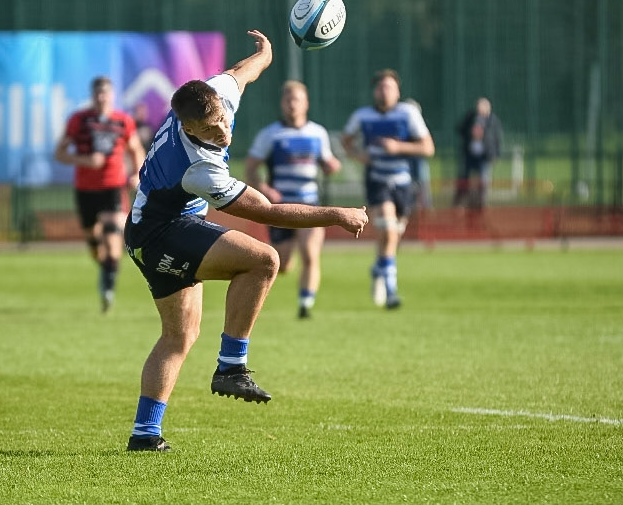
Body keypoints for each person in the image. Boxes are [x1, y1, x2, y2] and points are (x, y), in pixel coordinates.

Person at [124, 31, 368, 451]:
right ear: (187, 126)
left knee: (178, 337)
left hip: (151, 229)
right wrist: (337, 215)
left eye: (221, 119)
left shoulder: (217, 94)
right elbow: (267, 212)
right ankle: (232, 366)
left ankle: (145, 435)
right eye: (209, 128)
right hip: (159, 234)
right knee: (263, 260)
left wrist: (265, 53)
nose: (221, 131)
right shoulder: (198, 167)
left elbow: (240, 73)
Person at [244, 80, 342, 319]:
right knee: (283, 264)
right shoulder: (271, 134)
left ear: (306, 103)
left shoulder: (318, 133)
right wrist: (264, 188)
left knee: (310, 253)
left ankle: (305, 305)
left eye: (296, 99)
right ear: (282, 104)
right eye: (287, 100)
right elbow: (250, 168)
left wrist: (331, 166)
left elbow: (327, 162)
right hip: (281, 208)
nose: (291, 105)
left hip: (310, 203)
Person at [343, 69, 434, 309]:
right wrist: (359, 156)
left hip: (403, 183)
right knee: (389, 232)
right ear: (375, 91)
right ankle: (392, 292)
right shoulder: (362, 116)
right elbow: (345, 141)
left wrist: (398, 147)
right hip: (377, 181)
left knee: (392, 237)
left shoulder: (408, 113)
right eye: (381, 87)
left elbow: (427, 148)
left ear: (398, 91)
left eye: (390, 87)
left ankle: (377, 269)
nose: (385, 91)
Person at [54, 76, 144, 313]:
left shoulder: (123, 121)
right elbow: (60, 153)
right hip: (85, 190)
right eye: (97, 93)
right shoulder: (79, 120)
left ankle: (108, 288)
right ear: (92, 95)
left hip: (113, 187)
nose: (101, 97)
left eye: (105, 93)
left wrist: (137, 174)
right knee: (94, 241)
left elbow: (136, 149)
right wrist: (84, 160)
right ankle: (106, 269)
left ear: (112, 95)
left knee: (113, 235)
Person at [454, 97, 503, 210]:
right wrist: (470, 132)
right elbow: (460, 129)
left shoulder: (492, 120)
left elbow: (497, 138)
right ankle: (460, 202)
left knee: (483, 180)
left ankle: (482, 203)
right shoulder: (471, 117)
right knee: (464, 179)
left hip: (484, 156)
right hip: (470, 154)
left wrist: (495, 154)